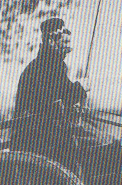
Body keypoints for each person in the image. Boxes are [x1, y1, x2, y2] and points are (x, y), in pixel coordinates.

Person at [11, 18, 88, 172]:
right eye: (63, 43)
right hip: (37, 137)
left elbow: (61, 96)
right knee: (90, 147)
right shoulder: (46, 66)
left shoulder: (51, 64)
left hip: (44, 131)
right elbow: (57, 99)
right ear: (51, 41)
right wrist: (81, 88)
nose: (66, 48)